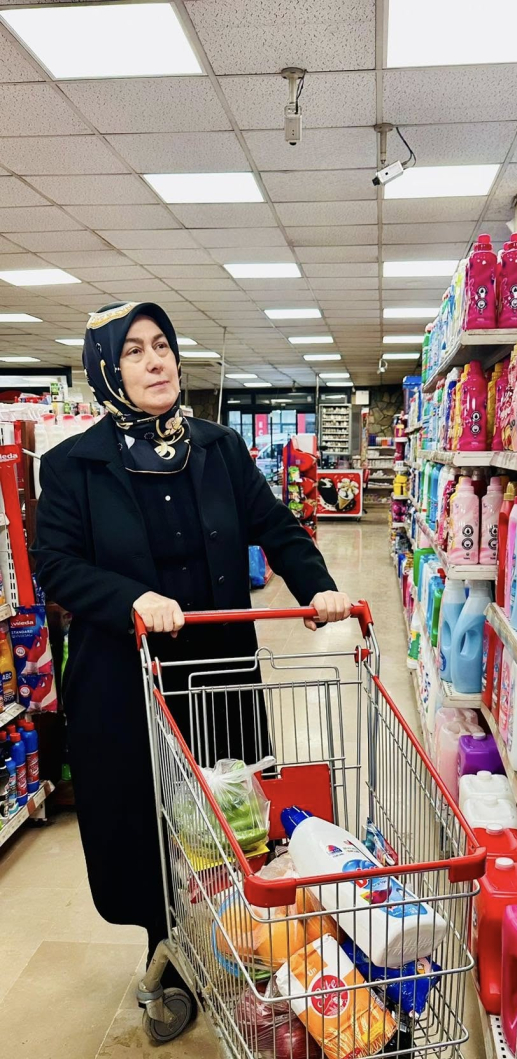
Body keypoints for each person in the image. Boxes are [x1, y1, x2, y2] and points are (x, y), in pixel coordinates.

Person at [34, 301, 351, 1000]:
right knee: (149, 823)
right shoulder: (72, 466)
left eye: (163, 345)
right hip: (129, 683)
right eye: (134, 351)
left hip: (219, 673)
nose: (156, 362)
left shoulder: (218, 450)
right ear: (106, 371)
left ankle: (243, 938)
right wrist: (130, 599)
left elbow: (275, 524)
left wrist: (319, 587)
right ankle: (166, 947)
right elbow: (54, 564)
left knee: (232, 811)